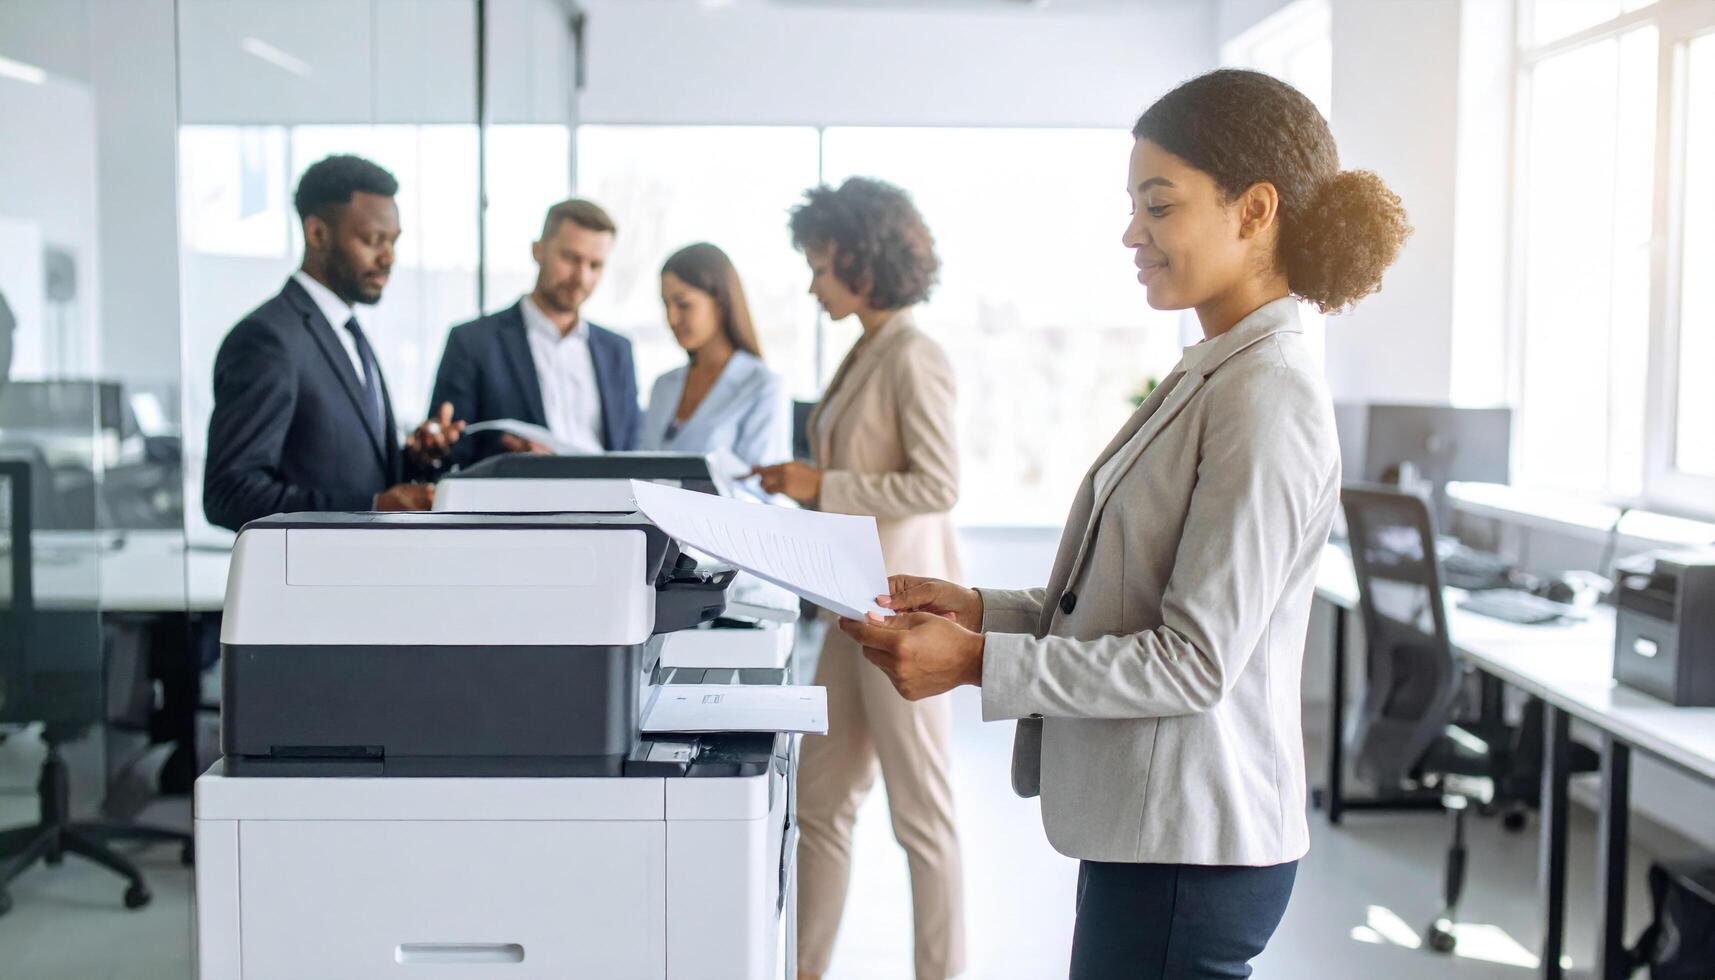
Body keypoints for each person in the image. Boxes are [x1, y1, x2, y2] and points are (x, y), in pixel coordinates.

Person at [838, 69, 1412, 979]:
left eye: (1158, 204)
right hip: (1159, 835)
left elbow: (1192, 659)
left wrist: (979, 663)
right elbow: (1126, 592)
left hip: (1193, 846)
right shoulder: (1217, 368)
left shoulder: (1266, 395)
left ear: (1253, 209)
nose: (1130, 233)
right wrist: (979, 609)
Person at [754, 177, 965, 980]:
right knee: (819, 802)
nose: (811, 282)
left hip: (901, 609)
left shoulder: (915, 352)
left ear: (860, 259)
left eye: (818, 264)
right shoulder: (869, 346)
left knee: (921, 818)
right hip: (852, 606)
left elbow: (937, 485)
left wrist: (820, 485)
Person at [204, 154, 459, 532]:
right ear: (318, 234)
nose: (388, 257)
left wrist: (415, 458)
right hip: (308, 583)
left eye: (393, 241)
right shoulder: (267, 339)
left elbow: (347, 468)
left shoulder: (346, 330)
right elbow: (229, 492)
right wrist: (372, 506)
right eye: (373, 240)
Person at [429, 198, 640, 464]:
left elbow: (633, 452)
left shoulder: (617, 351)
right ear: (537, 251)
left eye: (594, 265)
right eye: (570, 258)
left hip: (612, 504)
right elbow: (445, 454)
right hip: (513, 501)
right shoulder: (473, 343)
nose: (581, 277)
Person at [639, 243, 788, 498]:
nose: (672, 319)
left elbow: (762, 494)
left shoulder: (762, 386)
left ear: (719, 301)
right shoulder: (663, 386)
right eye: (666, 305)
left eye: (683, 304)